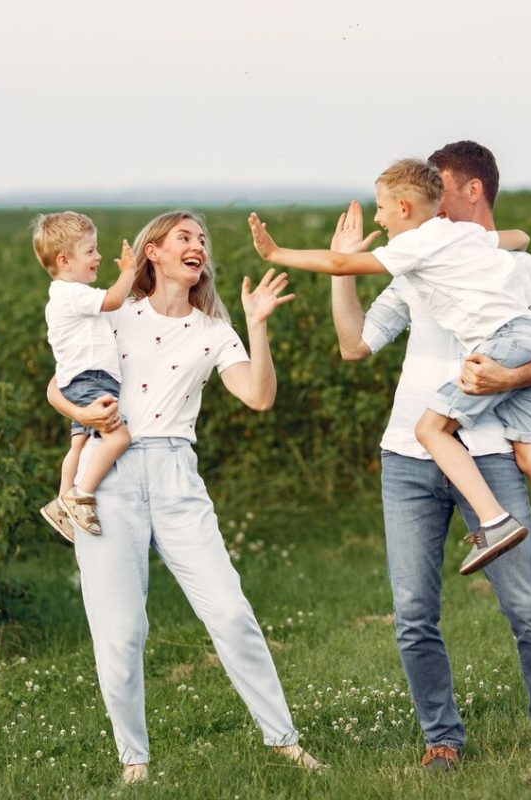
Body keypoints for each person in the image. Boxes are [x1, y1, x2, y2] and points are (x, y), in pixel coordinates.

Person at [255, 141, 531, 769]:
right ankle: (442, 740)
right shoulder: (416, 262)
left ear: (470, 192)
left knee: (525, 604)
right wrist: (344, 267)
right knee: (413, 614)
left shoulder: (522, 266)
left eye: (440, 188)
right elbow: (356, 346)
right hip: (407, 458)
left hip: (488, 452)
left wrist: (506, 379)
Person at [248, 157, 531, 618]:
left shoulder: (422, 244)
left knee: (432, 429)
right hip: (521, 337)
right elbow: (516, 238)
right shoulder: (464, 239)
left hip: (503, 348)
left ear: (404, 207)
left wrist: (275, 253)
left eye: (381, 208)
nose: (377, 217)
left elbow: (340, 261)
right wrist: (499, 246)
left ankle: (494, 522)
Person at [47, 210, 321, 784]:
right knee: (121, 630)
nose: (197, 246)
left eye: (202, 239)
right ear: (154, 252)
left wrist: (257, 325)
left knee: (231, 613)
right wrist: (79, 413)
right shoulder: (116, 311)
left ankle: (284, 741)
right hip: (110, 476)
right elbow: (61, 378)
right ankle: (135, 761)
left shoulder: (213, 329)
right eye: (184, 237)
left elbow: (258, 396)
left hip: (176, 476)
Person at [33, 212, 135, 540]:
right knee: (119, 438)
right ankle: (81, 494)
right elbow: (113, 299)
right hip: (92, 381)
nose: (98, 257)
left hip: (76, 382)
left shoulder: (62, 296)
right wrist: (129, 273)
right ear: (64, 260)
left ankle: (62, 503)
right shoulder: (71, 293)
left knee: (78, 445)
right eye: (90, 251)